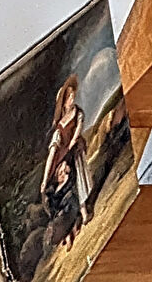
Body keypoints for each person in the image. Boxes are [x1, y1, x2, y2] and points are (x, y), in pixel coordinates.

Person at [41, 76, 93, 233]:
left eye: (72, 95)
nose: (72, 99)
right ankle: (80, 216)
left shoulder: (77, 113)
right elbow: (52, 154)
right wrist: (45, 179)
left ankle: (84, 212)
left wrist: (73, 143)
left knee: (81, 181)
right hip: (66, 159)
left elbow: (78, 130)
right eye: (68, 97)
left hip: (76, 153)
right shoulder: (59, 129)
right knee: (73, 185)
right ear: (63, 102)